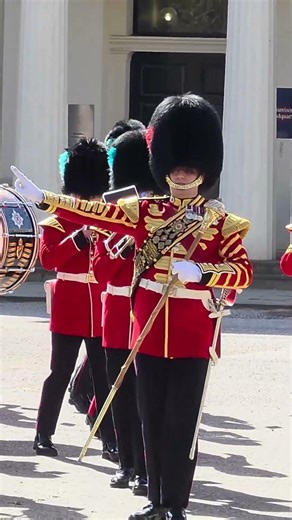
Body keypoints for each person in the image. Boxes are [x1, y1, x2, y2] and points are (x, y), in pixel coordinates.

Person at [12, 93, 253, 520]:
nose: (182, 172)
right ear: (164, 166)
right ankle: (156, 500)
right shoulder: (142, 212)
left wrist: (202, 272)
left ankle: (177, 503)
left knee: (182, 427)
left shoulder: (221, 222)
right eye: (176, 165)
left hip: (194, 335)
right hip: (147, 334)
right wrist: (45, 198)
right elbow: (91, 210)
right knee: (151, 421)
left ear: (203, 170)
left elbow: (242, 272)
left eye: (190, 166)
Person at [32, 138, 118, 462]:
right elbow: (49, 259)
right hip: (69, 306)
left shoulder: (108, 219)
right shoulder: (57, 220)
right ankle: (43, 433)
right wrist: (80, 238)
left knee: (104, 377)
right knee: (59, 372)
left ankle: (109, 439)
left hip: (100, 307)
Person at [92, 128, 163, 496]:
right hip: (115, 312)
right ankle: (126, 463)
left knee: (143, 397)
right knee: (118, 395)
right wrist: (119, 250)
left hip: (143, 312)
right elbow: (102, 271)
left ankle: (148, 470)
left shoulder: (156, 220)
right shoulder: (113, 216)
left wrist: (138, 247)